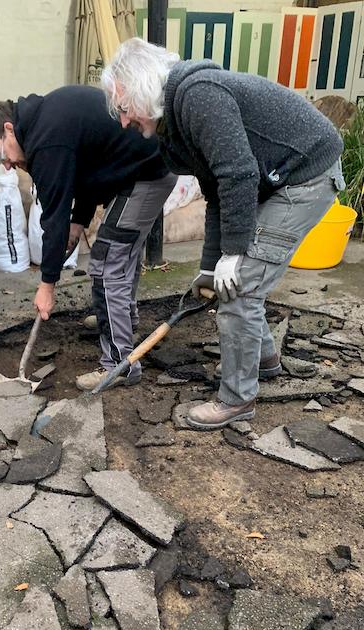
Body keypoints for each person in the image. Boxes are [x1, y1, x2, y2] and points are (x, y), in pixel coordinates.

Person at [102, 38, 344, 429]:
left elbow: (238, 175)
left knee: (241, 287)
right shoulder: (175, 123)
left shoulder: (198, 96)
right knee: (234, 279)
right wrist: (209, 266)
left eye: (124, 108)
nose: (124, 120)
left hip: (305, 176)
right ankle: (263, 359)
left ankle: (237, 400)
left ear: (144, 88)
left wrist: (232, 254)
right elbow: (216, 192)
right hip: (272, 178)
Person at [0, 86, 176, 390]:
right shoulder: (43, 122)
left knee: (108, 261)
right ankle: (120, 321)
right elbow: (89, 171)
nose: (7, 165)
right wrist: (79, 222)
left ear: (8, 129)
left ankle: (119, 365)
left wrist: (47, 286)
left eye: (2, 155)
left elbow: (53, 218)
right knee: (119, 253)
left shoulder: (45, 141)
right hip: (138, 169)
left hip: (147, 173)